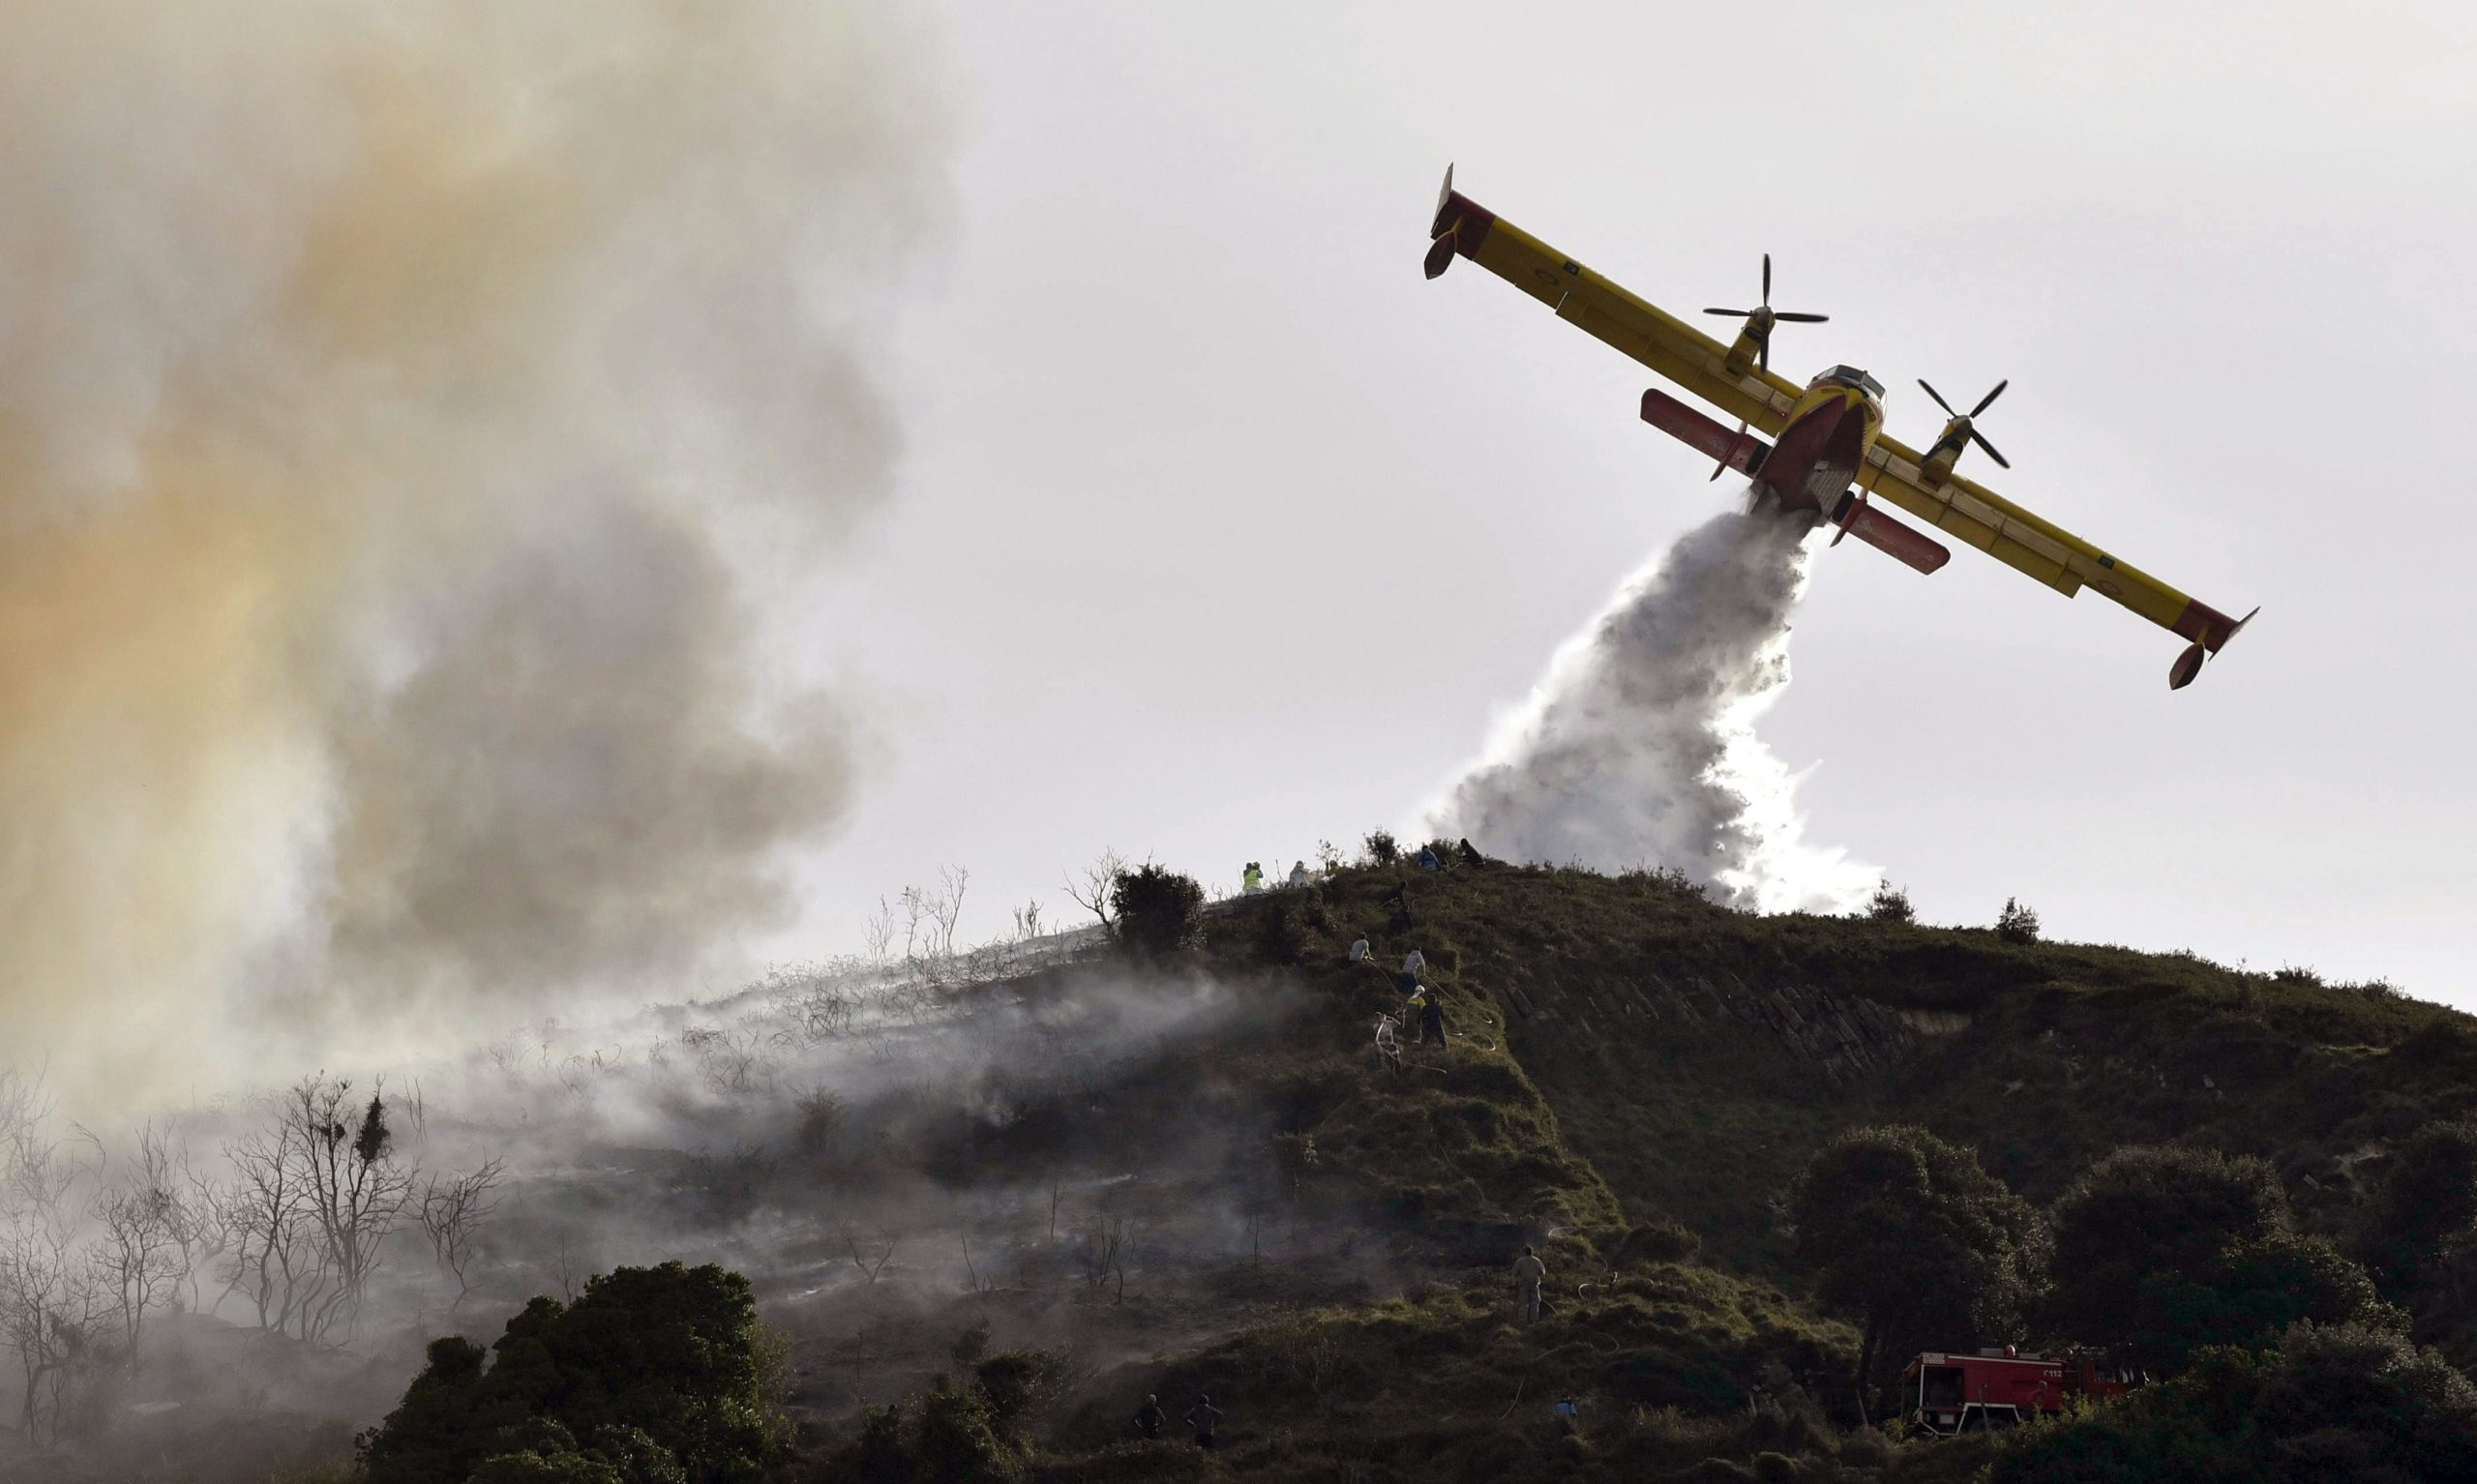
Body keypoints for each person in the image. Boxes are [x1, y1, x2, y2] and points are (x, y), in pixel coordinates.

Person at [1513, 1244, 1546, 1322]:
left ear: (1524, 1252)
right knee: (1534, 1303)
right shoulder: (1537, 1260)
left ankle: (1522, 1321)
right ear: (1532, 1252)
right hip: (1534, 1284)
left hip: (1523, 1284)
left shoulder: (1520, 1261)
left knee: (1523, 1303)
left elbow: (1514, 1273)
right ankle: (1533, 1321)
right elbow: (1543, 1272)